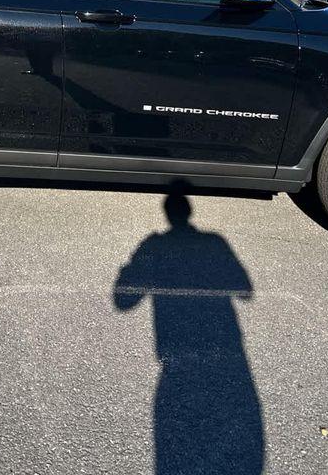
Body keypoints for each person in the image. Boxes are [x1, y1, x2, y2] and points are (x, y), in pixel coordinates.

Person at [114, 192, 264, 475]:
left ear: (168, 215)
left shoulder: (153, 245)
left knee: (179, 436)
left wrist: (131, 269)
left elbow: (123, 302)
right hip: (227, 350)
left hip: (175, 357)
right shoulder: (215, 242)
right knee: (222, 430)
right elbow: (245, 290)